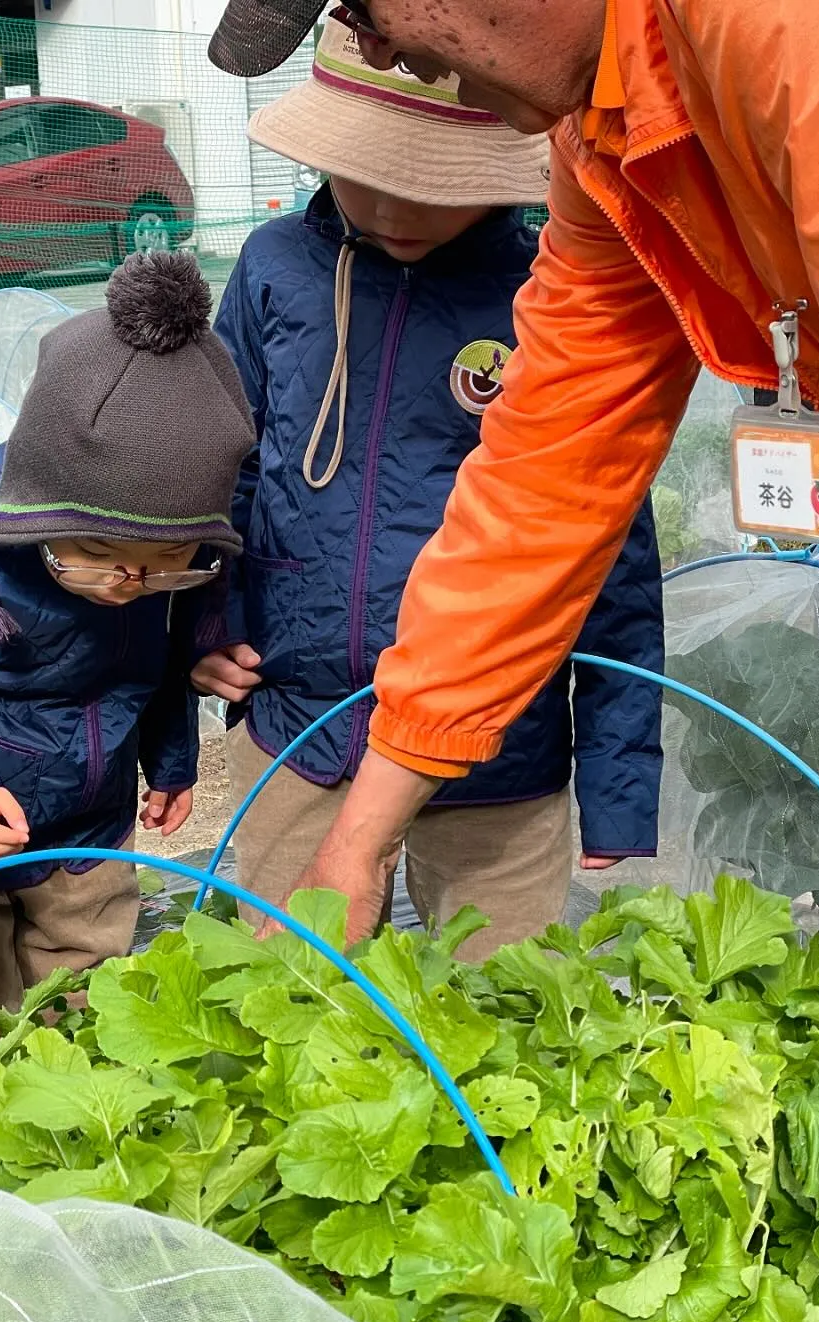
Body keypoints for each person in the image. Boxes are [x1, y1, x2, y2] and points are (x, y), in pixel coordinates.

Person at [208, 0, 819, 939]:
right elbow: (546, 489)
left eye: (365, 5)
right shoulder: (608, 148)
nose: (375, 45)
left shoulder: (799, 30)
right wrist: (358, 844)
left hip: (518, 771)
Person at [192, 21, 662, 958]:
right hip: (302, 722)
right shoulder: (274, 269)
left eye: (430, 181)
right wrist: (214, 624)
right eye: (365, 174)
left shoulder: (553, 297)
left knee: (503, 1007)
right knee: (294, 998)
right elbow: (224, 470)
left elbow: (607, 552)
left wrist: (618, 784)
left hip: (503, 755)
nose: (394, 205)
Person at [0, 250, 254, 1034]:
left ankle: (85, 1127)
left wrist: (173, 759)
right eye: (101, 561)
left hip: (95, 820)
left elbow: (154, 657)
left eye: (162, 567)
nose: (130, 583)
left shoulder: (163, 568)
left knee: (89, 1000)